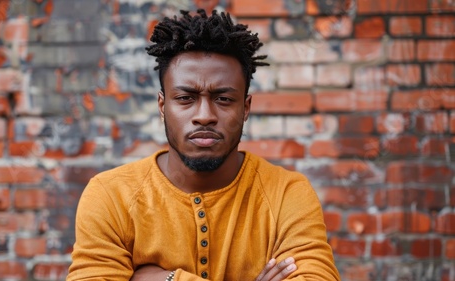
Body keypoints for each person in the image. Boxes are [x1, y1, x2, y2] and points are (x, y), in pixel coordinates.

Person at [67, 9, 340, 281]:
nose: (205, 116)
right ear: (163, 106)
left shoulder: (286, 194)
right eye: (186, 98)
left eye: (223, 99)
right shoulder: (111, 195)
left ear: (245, 108)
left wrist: (166, 279)